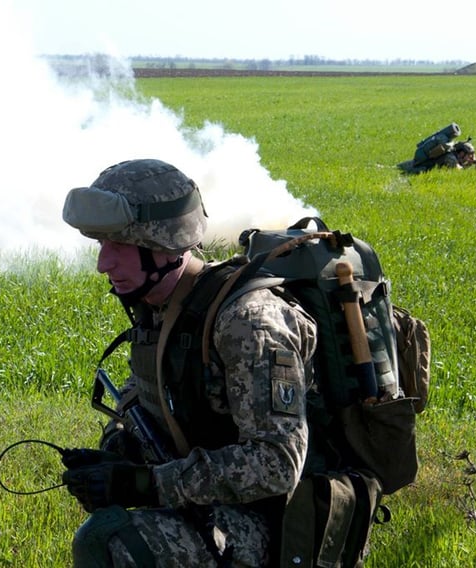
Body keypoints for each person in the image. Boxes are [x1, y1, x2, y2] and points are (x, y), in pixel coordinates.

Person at [60, 158, 318, 567]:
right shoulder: (163, 307)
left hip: (280, 522)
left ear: (165, 246)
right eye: (101, 245)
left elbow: (277, 463)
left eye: (119, 247)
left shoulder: (247, 323)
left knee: (110, 543)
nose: (103, 263)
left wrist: (148, 484)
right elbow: (148, 398)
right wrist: (118, 452)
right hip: (216, 502)